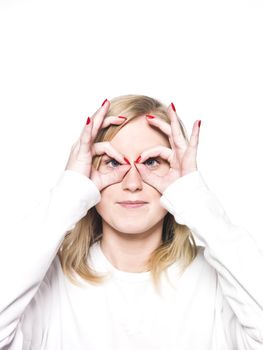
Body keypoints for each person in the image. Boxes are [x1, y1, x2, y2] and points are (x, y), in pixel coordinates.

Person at [0, 95, 262, 350]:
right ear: (87, 173)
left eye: (151, 162)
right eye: (113, 162)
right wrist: (69, 192)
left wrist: (193, 197)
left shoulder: (216, 285)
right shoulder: (49, 283)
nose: (133, 184)